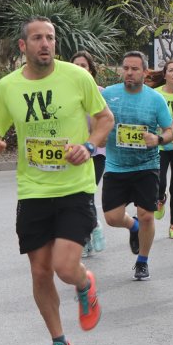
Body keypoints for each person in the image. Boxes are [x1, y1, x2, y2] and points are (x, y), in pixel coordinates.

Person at [0, 17, 114, 345]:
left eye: (51, 38)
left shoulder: (77, 77)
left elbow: (105, 119)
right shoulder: (8, 87)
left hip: (74, 187)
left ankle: (85, 282)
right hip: (33, 190)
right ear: (23, 46)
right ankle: (60, 344)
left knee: (65, 266)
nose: (46, 43)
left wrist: (88, 145)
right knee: (40, 273)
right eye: (37, 38)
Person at [100, 51, 173, 281]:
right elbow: (98, 120)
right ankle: (132, 227)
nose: (129, 73)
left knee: (147, 216)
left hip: (146, 166)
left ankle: (142, 261)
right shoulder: (110, 95)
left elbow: (172, 130)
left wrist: (159, 140)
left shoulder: (155, 99)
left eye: (134, 69)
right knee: (112, 218)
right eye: (126, 68)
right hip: (116, 165)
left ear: (144, 71)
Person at [71, 51, 108, 257]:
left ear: (91, 69)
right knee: (79, 197)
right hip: (75, 153)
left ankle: (91, 228)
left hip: (97, 153)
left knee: (86, 194)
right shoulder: (66, 92)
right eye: (76, 65)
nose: (80, 69)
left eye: (83, 65)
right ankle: (87, 234)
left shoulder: (101, 92)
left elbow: (108, 120)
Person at [149, 59, 173, 239]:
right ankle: (159, 198)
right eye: (170, 70)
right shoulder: (155, 94)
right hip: (161, 145)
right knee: (160, 183)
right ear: (164, 75)